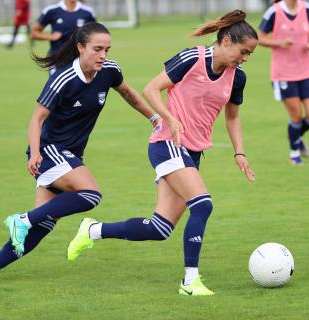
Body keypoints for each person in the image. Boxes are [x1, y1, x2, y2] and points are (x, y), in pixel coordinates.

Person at [66, 10, 258, 296]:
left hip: (191, 153)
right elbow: (152, 89)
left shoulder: (236, 78)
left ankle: (93, 230)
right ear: (226, 41)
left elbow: (232, 117)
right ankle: (189, 282)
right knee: (203, 204)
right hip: (166, 143)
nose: (244, 58)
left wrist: (239, 153)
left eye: (249, 55)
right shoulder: (192, 58)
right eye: (243, 51)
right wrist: (169, 118)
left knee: (159, 228)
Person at [0, 22, 158, 285]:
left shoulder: (109, 71)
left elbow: (129, 94)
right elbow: (36, 119)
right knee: (91, 195)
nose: (103, 55)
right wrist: (35, 153)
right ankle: (21, 219)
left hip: (69, 155)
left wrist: (155, 118)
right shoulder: (63, 78)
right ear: (80, 47)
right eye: (97, 49)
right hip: (49, 151)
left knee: (42, 225)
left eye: (107, 49)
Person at [258, 0, 309, 165]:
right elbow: (259, 38)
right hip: (283, 74)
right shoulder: (274, 11)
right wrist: (279, 43)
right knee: (296, 116)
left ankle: (295, 135)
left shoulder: (307, 9)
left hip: (306, 71)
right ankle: (294, 155)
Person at [31, 0, 96, 74]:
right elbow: (34, 33)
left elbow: (94, 34)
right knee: (56, 84)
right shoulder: (51, 10)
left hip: (80, 59)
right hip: (58, 58)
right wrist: (50, 36)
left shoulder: (88, 12)